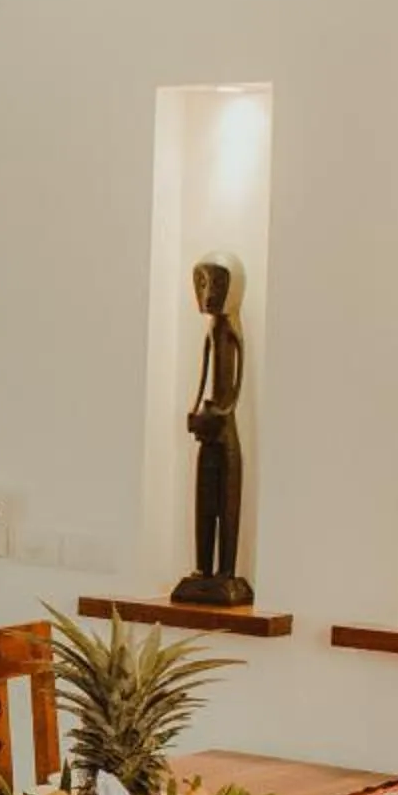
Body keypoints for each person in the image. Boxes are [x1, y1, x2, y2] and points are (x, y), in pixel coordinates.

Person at [171, 251, 254, 605]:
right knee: (204, 501)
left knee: (227, 503)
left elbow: (235, 382)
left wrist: (223, 410)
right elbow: (203, 377)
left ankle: (226, 570)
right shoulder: (210, 333)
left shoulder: (232, 333)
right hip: (209, 427)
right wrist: (195, 412)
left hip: (225, 429)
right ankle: (203, 568)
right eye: (202, 282)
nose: (207, 292)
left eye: (216, 282)